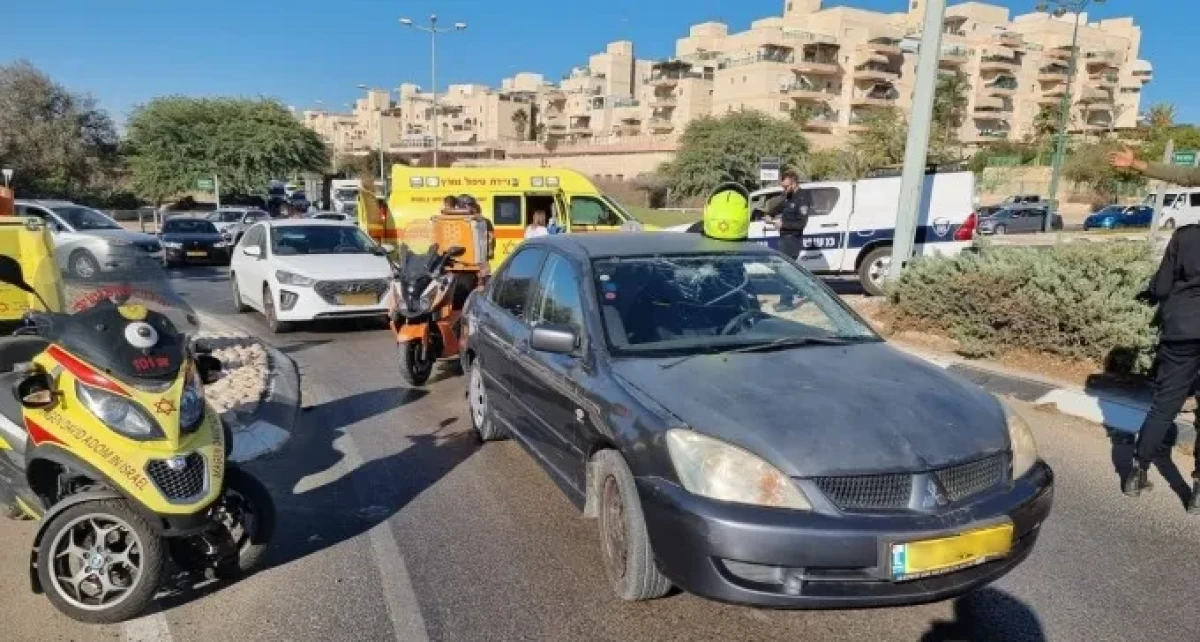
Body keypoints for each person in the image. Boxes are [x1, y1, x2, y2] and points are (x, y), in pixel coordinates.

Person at [1112, 149, 1200, 509]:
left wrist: (1137, 164)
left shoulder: (1186, 237)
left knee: (1164, 406)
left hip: (1181, 331)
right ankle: (1196, 493)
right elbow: (1187, 174)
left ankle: (1137, 472)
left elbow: (1161, 288)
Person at [764, 170, 812, 311]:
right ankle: (787, 299)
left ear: (794, 182)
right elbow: (778, 208)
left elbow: (801, 224)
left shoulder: (803, 198)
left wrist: (782, 225)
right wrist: (769, 215)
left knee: (786, 272)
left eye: (786, 186)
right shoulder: (787, 196)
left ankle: (786, 302)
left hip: (792, 240)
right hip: (784, 238)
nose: (784, 189)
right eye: (782, 187)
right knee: (784, 271)